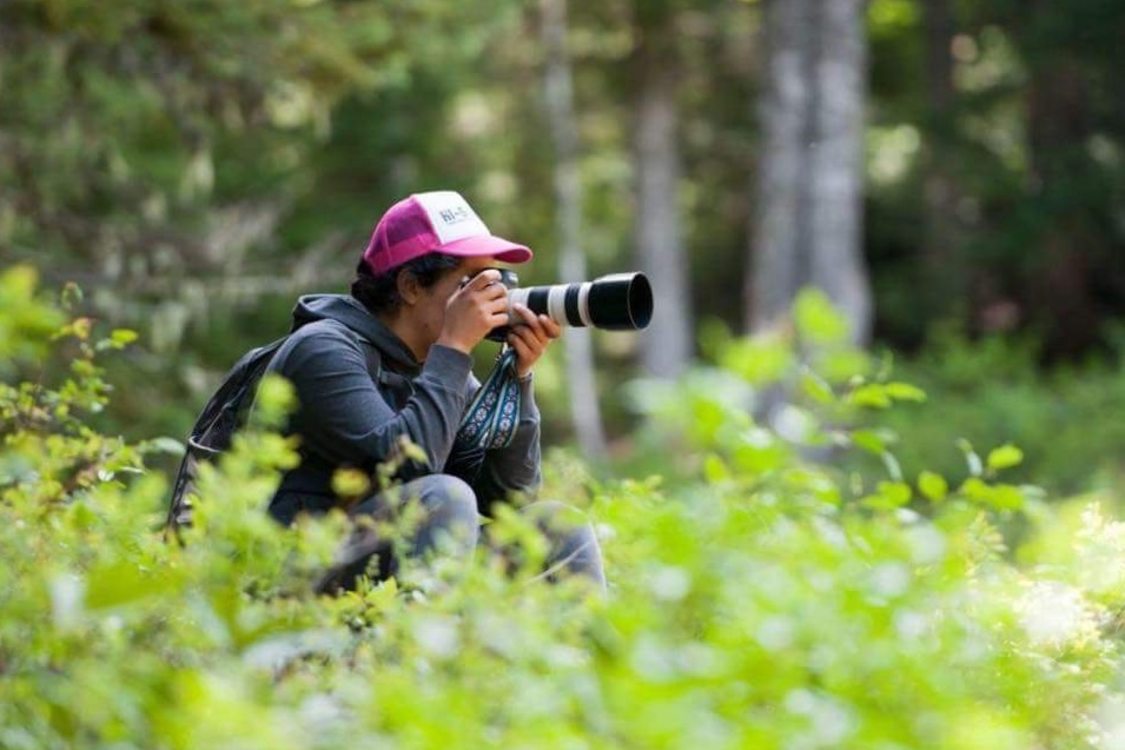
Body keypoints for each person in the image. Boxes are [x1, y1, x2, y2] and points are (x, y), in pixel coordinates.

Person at [263, 190, 606, 592]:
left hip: (389, 565)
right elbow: (408, 469)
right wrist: (454, 348)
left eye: (495, 282)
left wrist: (517, 381)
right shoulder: (323, 349)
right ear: (410, 286)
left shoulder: (441, 366)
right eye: (469, 284)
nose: (488, 298)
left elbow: (510, 499)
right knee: (444, 496)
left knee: (557, 527)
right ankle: (427, 650)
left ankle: (577, 654)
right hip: (298, 574)